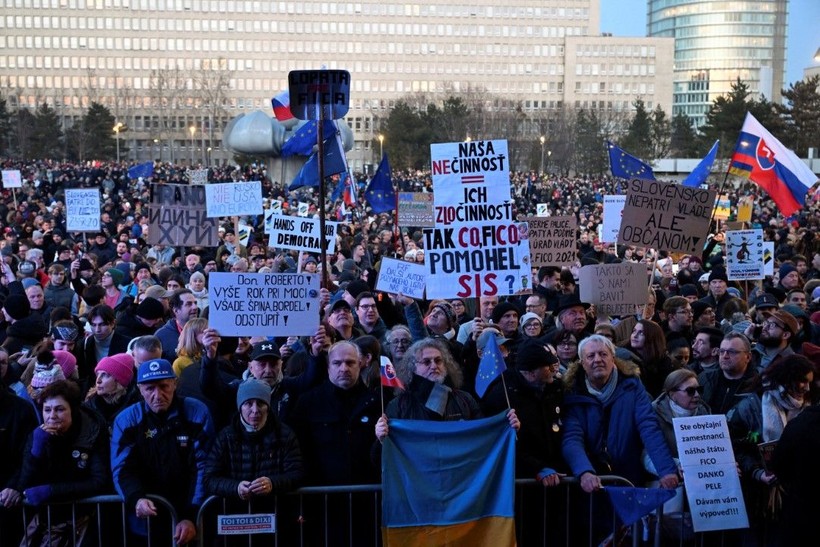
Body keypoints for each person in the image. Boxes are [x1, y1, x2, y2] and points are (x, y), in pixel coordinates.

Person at [111, 358, 214, 546]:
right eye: (150, 389)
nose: (158, 395)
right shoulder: (126, 420)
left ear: (174, 384)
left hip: (189, 514)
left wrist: (190, 515)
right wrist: (136, 499)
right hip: (146, 518)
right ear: (140, 389)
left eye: (163, 386)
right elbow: (122, 468)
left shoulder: (196, 412)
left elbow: (202, 466)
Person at [562, 334, 678, 492]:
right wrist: (584, 471)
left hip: (628, 479)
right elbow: (572, 437)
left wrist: (666, 470)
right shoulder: (572, 392)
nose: (597, 360)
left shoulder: (632, 386)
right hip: (592, 482)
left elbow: (648, 427)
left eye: (603, 354)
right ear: (582, 363)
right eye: (591, 356)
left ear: (613, 358)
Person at [203, 379, 304, 544]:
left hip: (275, 521)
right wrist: (235, 487)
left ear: (268, 406)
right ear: (240, 406)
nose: (255, 410)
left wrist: (273, 483)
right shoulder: (226, 437)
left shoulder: (284, 434)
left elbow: (297, 472)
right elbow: (210, 478)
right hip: (235, 522)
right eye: (248, 403)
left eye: (261, 403)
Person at [17, 380, 109, 545]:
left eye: (59, 409)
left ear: (72, 411)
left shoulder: (92, 433)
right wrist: (36, 452)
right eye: (47, 410)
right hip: (46, 520)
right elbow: (25, 483)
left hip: (84, 520)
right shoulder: (38, 435)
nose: (52, 416)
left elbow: (99, 481)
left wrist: (52, 491)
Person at [155, 289, 200, 361]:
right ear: (176, 310)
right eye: (189, 304)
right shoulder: (162, 336)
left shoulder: (204, 330)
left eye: (195, 303)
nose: (195, 307)